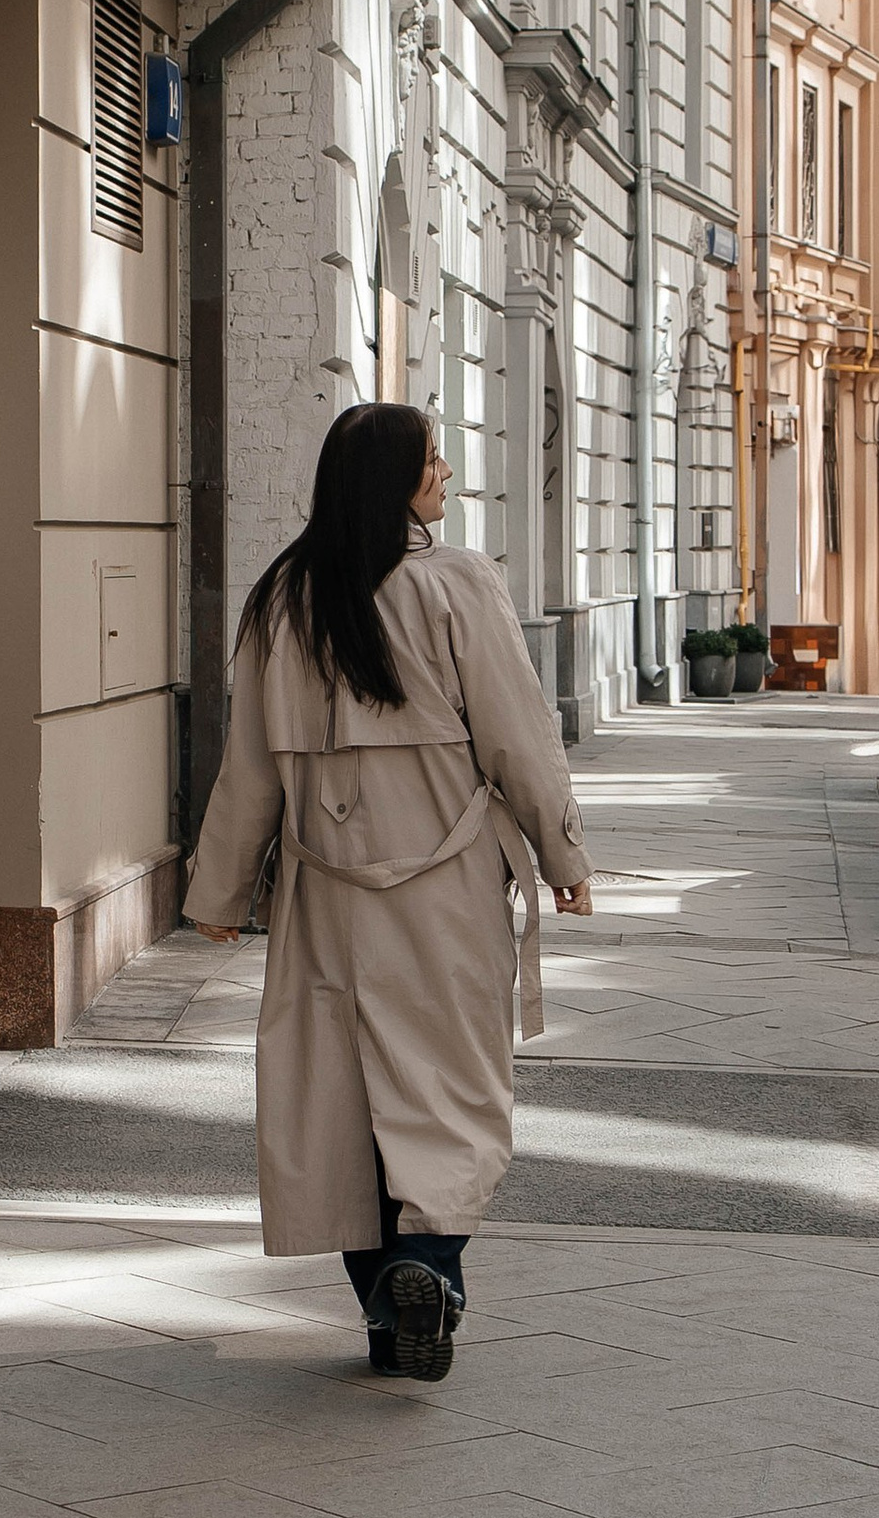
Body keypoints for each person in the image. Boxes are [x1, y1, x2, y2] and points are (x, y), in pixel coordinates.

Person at [182, 403, 593, 1381]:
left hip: (323, 899)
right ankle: (426, 1266)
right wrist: (563, 856)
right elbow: (518, 736)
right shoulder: (457, 587)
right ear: (394, 485)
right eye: (430, 461)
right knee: (450, 1087)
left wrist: (220, 891)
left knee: (341, 1101)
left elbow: (245, 768)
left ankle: (385, 1318)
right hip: (443, 886)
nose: (444, 473)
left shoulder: (282, 598)